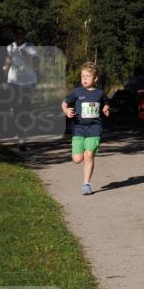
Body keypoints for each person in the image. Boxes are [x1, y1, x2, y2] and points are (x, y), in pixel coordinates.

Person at [62, 62, 110, 194]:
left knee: (89, 156)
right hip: (79, 129)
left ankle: (86, 184)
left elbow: (105, 103)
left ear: (95, 78)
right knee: (77, 159)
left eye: (87, 76)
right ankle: (85, 149)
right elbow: (64, 103)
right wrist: (66, 110)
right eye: (82, 76)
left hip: (94, 128)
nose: (84, 79)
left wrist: (106, 108)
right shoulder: (77, 92)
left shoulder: (100, 93)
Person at [3, 25, 39, 149]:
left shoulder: (31, 47)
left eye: (20, 34)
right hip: (13, 81)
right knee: (15, 107)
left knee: (25, 107)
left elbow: (35, 65)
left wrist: (26, 55)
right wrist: (4, 72)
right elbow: (8, 61)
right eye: (16, 34)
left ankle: (22, 134)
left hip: (28, 82)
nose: (18, 36)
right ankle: (19, 133)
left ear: (24, 35)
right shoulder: (10, 47)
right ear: (13, 36)